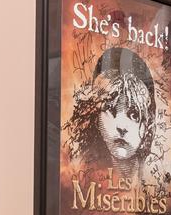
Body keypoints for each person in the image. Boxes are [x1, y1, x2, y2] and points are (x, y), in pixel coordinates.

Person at [64, 46, 165, 195]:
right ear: (95, 115)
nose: (122, 127)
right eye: (110, 109)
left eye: (134, 115)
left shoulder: (156, 184)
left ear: (147, 123)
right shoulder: (78, 176)